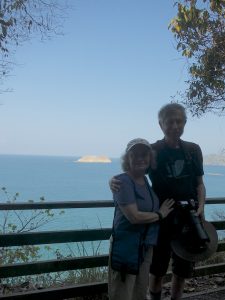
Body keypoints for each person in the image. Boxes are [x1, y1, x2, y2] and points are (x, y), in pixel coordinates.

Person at [110, 103, 206, 300]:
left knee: (182, 269)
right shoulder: (153, 150)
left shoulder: (193, 150)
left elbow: (199, 184)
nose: (174, 125)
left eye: (179, 121)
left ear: (185, 123)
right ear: (160, 125)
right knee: (157, 269)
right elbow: (134, 171)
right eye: (169, 121)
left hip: (189, 219)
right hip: (160, 220)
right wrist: (112, 180)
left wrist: (201, 205)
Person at [108, 138, 174, 300]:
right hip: (126, 248)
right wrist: (160, 214)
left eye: (144, 154)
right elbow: (134, 217)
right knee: (122, 293)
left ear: (150, 158)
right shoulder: (122, 181)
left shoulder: (145, 180)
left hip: (145, 248)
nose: (140, 158)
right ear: (127, 158)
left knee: (139, 292)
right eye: (134, 154)